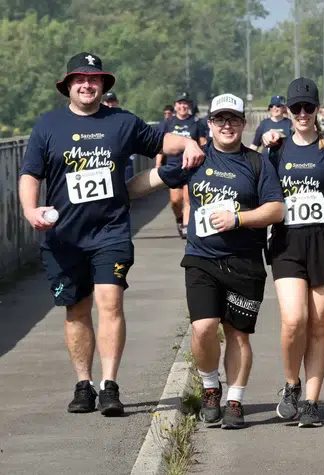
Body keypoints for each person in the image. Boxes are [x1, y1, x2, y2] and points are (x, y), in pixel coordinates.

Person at [18, 52, 204, 417]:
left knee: (110, 301)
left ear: (103, 85)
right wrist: (29, 209)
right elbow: (30, 174)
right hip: (65, 236)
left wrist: (189, 144)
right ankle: (83, 384)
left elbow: (162, 143)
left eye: (94, 79)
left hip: (111, 232)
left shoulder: (121, 122)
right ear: (68, 86)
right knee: (77, 309)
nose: (87, 85)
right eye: (80, 80)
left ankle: (109, 386)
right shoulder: (48, 126)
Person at [127, 93, 285, 429]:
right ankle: (211, 388)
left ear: (244, 124)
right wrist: (111, 194)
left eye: (234, 120)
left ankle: (235, 401)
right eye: (220, 120)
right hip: (202, 259)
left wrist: (238, 219)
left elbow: (277, 209)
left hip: (244, 261)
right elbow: (149, 181)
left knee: (238, 335)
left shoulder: (258, 163)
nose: (227, 125)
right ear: (210, 124)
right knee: (203, 328)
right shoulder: (196, 160)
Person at [261, 78, 324, 427]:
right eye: (295, 108)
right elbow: (264, 194)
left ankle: (312, 403)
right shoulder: (277, 150)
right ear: (286, 111)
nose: (302, 114)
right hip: (287, 243)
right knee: (293, 320)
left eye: (308, 108)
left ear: (317, 110)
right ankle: (291, 384)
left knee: (317, 326)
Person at [156, 92, 208, 238]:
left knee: (188, 199)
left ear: (189, 106)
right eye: (180, 103)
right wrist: (158, 164)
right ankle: (179, 219)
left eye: (185, 103)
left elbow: (203, 143)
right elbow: (160, 145)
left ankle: (186, 227)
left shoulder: (197, 123)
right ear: (175, 106)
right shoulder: (168, 123)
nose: (183, 106)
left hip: (192, 166)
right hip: (173, 166)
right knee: (175, 201)